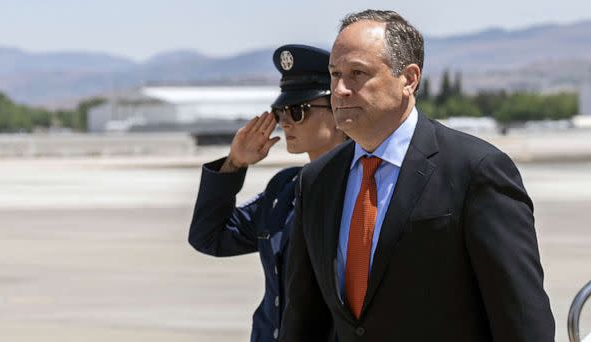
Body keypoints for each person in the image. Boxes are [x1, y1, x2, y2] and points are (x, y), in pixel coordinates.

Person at [279, 10, 555, 342]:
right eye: (335, 74)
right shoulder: (317, 181)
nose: (339, 89)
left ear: (409, 79)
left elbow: (522, 319)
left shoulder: (475, 171)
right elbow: (303, 319)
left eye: (357, 73)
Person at [188, 44, 346, 342]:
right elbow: (209, 237)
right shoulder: (284, 190)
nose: (285, 121)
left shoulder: (363, 189)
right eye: (280, 111)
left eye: (298, 111)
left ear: (339, 110)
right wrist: (233, 164)